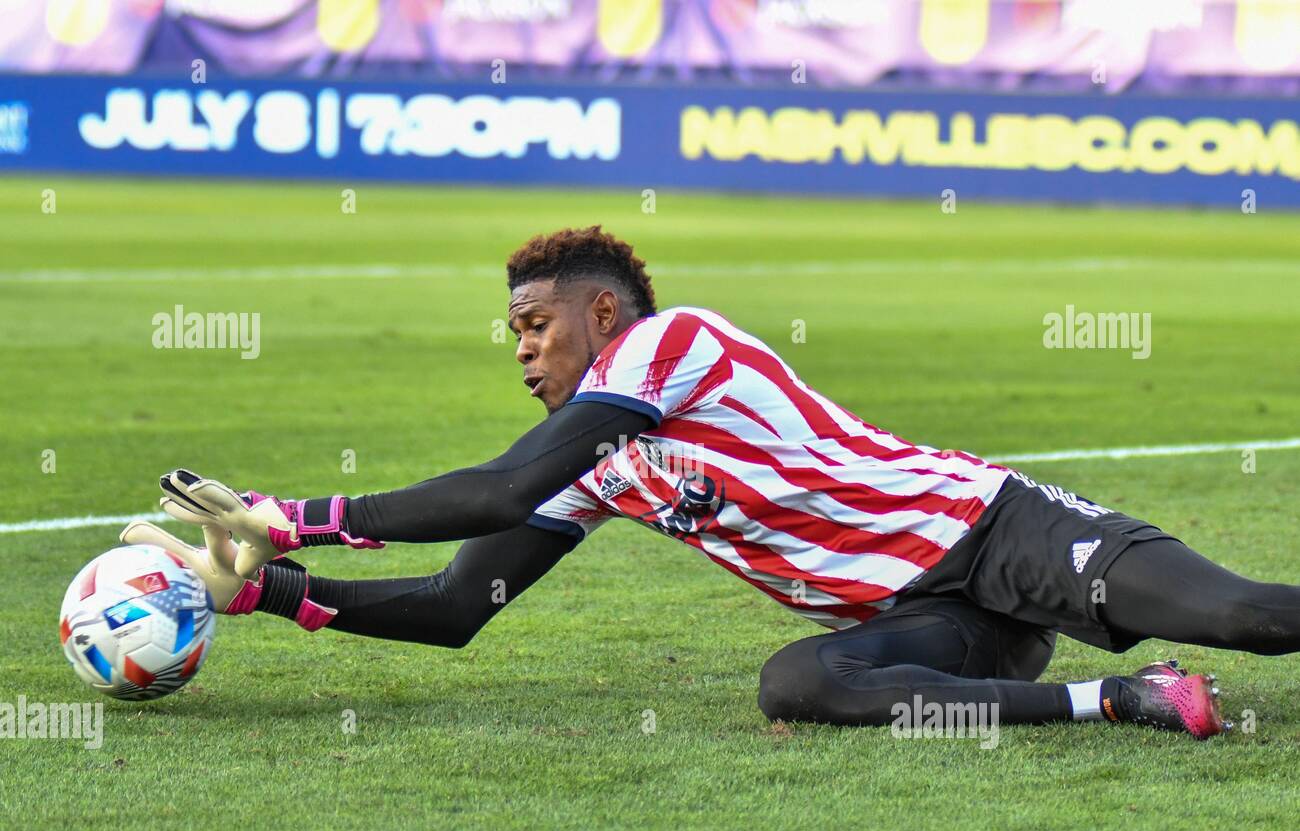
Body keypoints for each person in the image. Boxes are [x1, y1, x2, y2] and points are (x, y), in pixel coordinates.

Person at [123, 226, 1300, 739]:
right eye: (512, 337)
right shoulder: (601, 462)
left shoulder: (673, 342)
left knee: (1250, 617)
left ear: (601, 315)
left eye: (535, 328)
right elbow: (452, 609)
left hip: (999, 533)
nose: (523, 351)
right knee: (799, 685)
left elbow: (495, 488)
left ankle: (1187, 655)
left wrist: (298, 518)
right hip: (929, 623)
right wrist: (269, 592)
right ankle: (1127, 703)